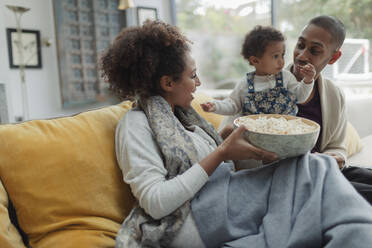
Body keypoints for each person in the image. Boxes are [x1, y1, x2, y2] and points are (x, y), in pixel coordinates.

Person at [101, 20, 372, 248]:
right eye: (192, 75)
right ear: (168, 83)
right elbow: (156, 203)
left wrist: (225, 142)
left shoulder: (184, 118)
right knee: (318, 172)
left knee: (316, 163)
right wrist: (221, 153)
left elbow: (211, 163)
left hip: (223, 197)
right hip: (195, 219)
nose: (199, 83)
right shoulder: (136, 125)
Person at [220, 15, 372, 204]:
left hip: (319, 171)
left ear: (334, 57)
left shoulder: (334, 95)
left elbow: (336, 146)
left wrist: (336, 158)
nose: (301, 55)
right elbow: (224, 140)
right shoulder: (257, 85)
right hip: (279, 179)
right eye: (300, 45)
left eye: (314, 51)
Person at [200, 25, 316, 118]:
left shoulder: (286, 77)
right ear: (255, 60)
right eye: (275, 56)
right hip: (255, 137)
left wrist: (308, 80)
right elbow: (232, 105)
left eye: (282, 55)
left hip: (285, 133)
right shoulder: (245, 83)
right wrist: (215, 106)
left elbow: (300, 97)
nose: (281, 61)